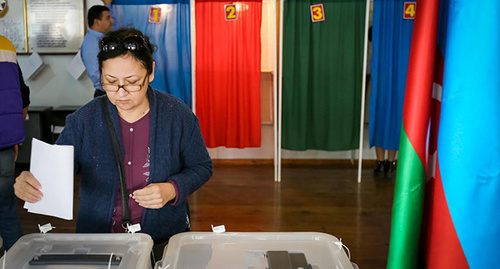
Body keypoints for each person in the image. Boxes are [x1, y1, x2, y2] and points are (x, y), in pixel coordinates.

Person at [14, 28, 213, 260]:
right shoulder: (84, 120)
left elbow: (201, 167)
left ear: (151, 72)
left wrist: (172, 189)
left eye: (132, 82)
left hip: (162, 239)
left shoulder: (176, 114)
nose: (121, 93)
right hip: (98, 242)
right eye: (110, 82)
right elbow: (54, 172)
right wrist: (28, 181)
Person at [0, 35, 30, 250]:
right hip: (5, 145)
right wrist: (12, 135)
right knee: (7, 210)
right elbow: (23, 94)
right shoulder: (6, 45)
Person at [81, 4, 114, 98]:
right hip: (105, 94)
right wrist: (117, 85)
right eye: (108, 18)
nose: (112, 21)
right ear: (97, 21)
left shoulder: (101, 39)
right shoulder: (91, 43)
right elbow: (96, 75)